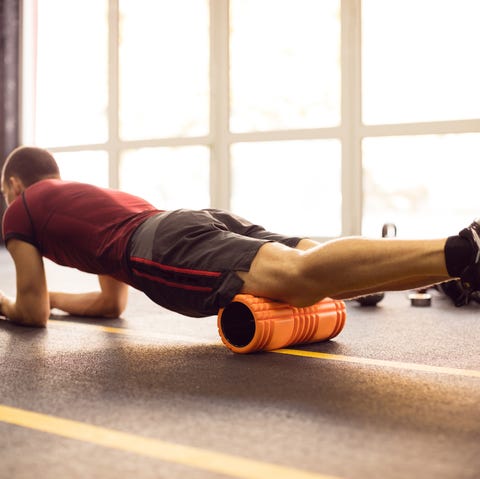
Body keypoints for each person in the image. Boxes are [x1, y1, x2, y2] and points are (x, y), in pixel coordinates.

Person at [0, 146, 478, 327]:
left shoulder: (21, 211)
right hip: (186, 218)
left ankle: (463, 249)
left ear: (14, 186)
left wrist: (5, 303)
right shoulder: (85, 199)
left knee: (300, 277)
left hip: (159, 245)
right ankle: (456, 264)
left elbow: (30, 312)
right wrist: (60, 299)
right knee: (313, 260)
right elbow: (111, 305)